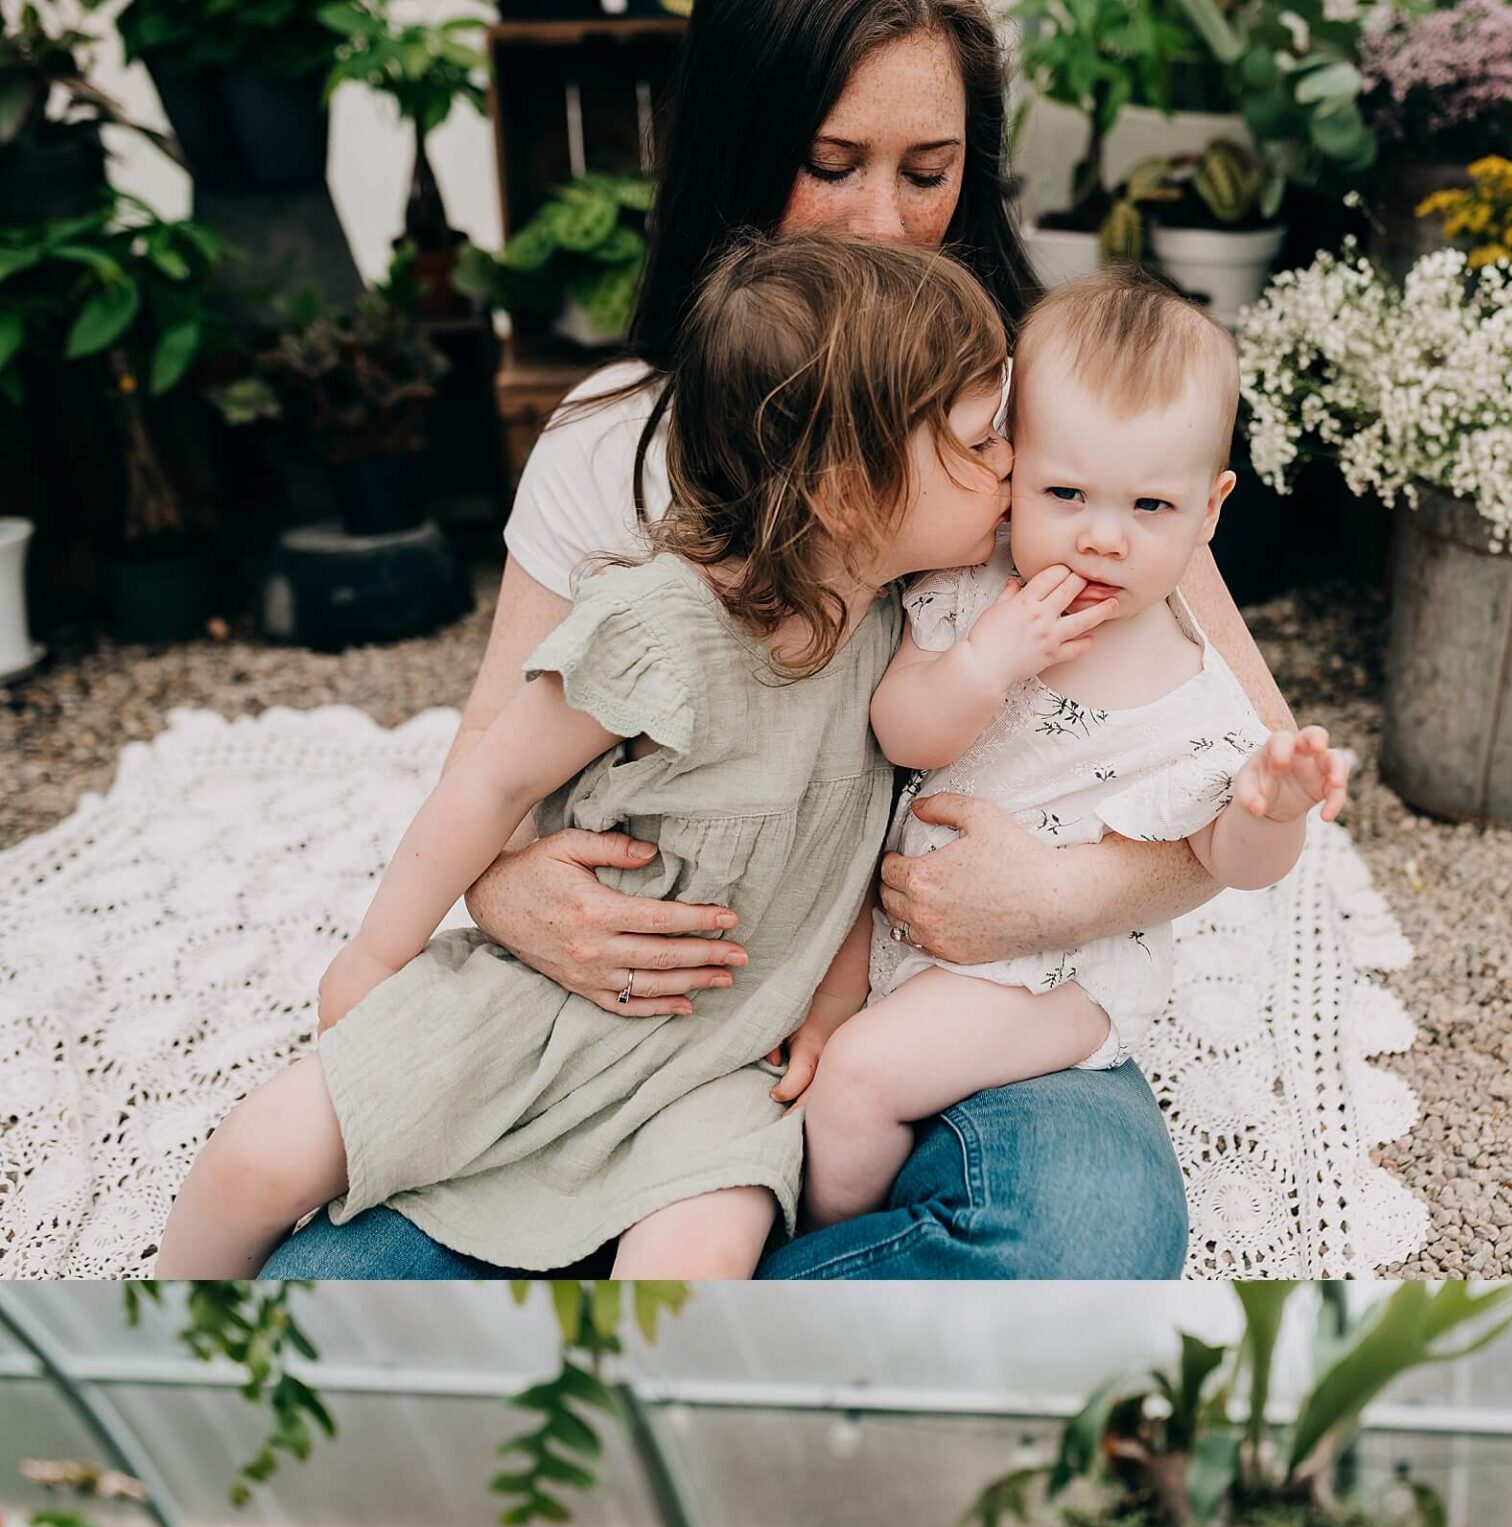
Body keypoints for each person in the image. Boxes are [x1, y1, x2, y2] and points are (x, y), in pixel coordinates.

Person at [260, 0, 1311, 1282]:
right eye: (830, 164)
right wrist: (503, 886)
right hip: (644, 1009)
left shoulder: (1040, 419)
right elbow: (496, 753)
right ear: (738, 148)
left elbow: (1238, 760)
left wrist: (1054, 897)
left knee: (1084, 1234)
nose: (881, 219)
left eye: (927, 174)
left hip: (928, 987)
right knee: (328, 1292)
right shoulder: (613, 440)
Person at [153, 239, 1011, 1280]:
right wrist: (376, 958)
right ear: (846, 490)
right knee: (256, 1158)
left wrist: (830, 1008)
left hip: (719, 1059)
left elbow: (848, 852)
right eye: (978, 443)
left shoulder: (894, 642)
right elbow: (492, 779)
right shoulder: (664, 627)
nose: (1012, 460)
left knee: (694, 1271)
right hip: (547, 1012)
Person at [804, 272, 1352, 1226]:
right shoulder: (975, 595)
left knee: (854, 1080)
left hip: (1050, 976)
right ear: (1009, 476)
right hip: (898, 932)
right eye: (1067, 492)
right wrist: (987, 662)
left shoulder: (1192, 693)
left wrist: (1276, 806)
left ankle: (827, 1250)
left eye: (1150, 507)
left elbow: (1230, 861)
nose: (1104, 538)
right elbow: (899, 730)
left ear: (1210, 510)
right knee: (802, 1053)